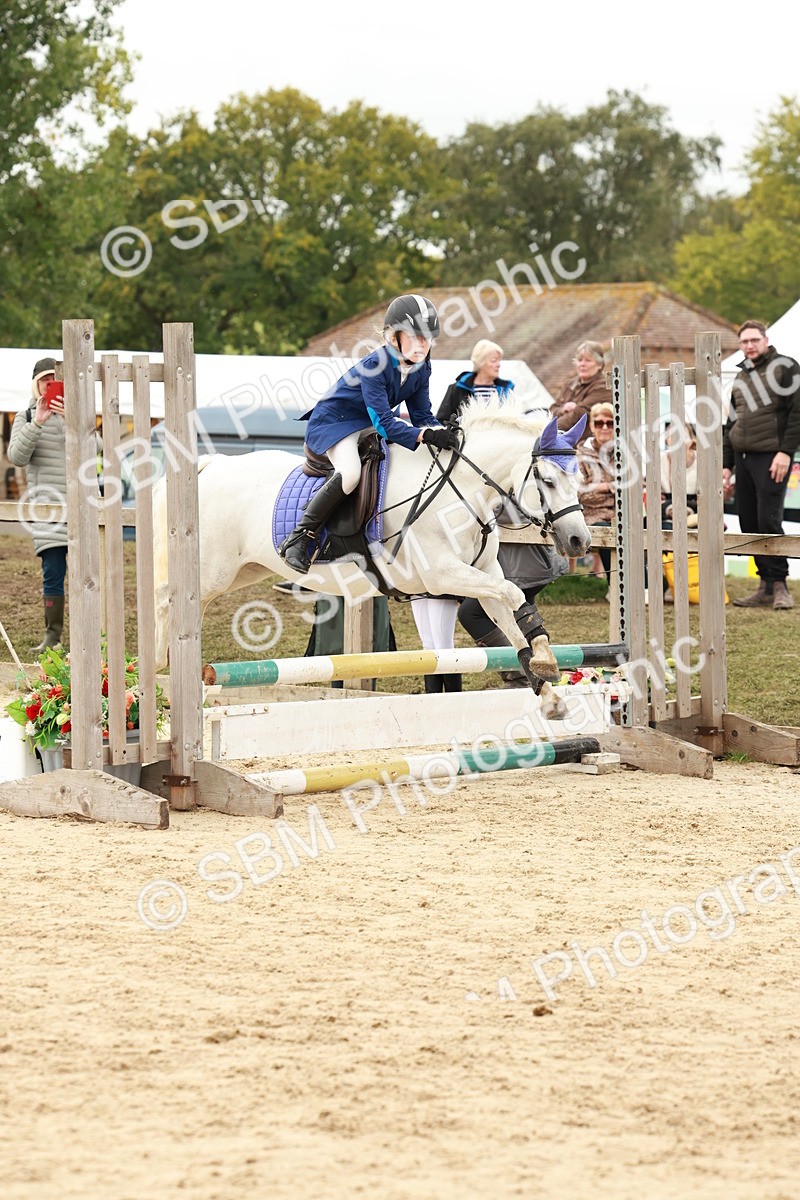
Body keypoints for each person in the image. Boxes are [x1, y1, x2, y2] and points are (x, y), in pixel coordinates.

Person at [279, 294, 456, 574]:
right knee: (350, 473)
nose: (422, 345)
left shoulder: (423, 368)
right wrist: (424, 436)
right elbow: (385, 423)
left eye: (428, 338)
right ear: (393, 337)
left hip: (369, 421)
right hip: (337, 422)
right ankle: (301, 537)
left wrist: (443, 433)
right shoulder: (376, 366)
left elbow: (422, 416)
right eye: (415, 337)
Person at [723, 320, 800, 610]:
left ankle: (780, 585)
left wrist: (785, 452)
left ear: (766, 340)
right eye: (744, 341)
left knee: (768, 519)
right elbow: (731, 422)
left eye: (754, 340)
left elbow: (797, 415)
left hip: (772, 456)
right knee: (750, 523)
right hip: (742, 458)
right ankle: (764, 586)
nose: (749, 345)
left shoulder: (785, 368)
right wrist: (727, 464)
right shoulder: (741, 377)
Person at [8, 358, 68, 653]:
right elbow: (16, 457)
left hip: (82, 508)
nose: (49, 385)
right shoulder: (26, 415)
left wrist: (73, 421)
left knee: (89, 577)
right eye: (45, 379)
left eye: (55, 379)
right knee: (53, 573)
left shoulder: (76, 414)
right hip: (48, 512)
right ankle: (53, 638)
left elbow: (96, 450)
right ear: (36, 383)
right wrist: (38, 422)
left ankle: (89, 635)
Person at [578, 402, 616, 588]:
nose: (605, 427)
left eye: (610, 423)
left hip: (621, 515)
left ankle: (650, 586)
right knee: (609, 533)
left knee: (654, 527)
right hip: (590, 516)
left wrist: (598, 486)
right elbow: (579, 494)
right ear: (592, 426)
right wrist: (611, 487)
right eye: (599, 423)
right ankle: (616, 586)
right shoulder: (580, 456)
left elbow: (632, 487)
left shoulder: (625, 454)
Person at [436, 339, 514, 424]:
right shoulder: (457, 389)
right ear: (481, 361)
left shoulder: (507, 390)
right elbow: (442, 421)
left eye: (499, 360)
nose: (499, 364)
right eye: (494, 360)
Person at [551, 341, 609, 445]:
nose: (582, 364)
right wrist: (563, 409)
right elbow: (552, 409)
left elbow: (579, 414)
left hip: (587, 446)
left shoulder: (604, 386)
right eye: (580, 360)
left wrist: (550, 431)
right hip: (562, 443)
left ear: (600, 365)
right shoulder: (570, 383)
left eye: (588, 360)